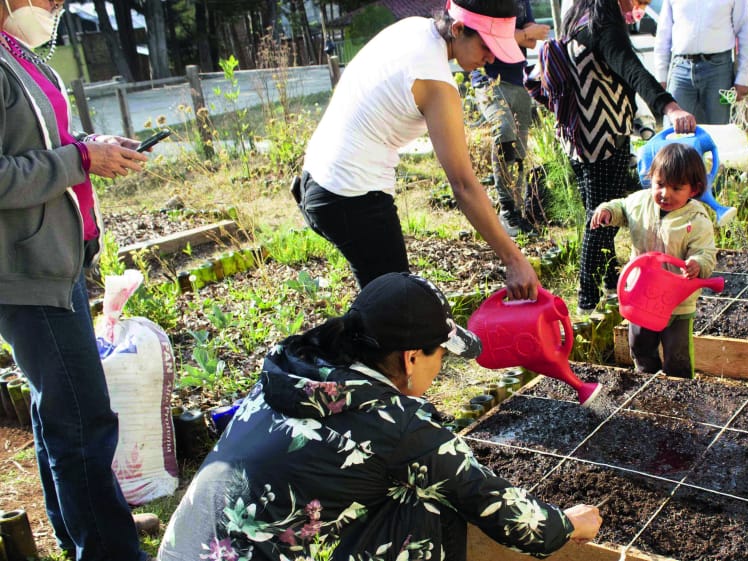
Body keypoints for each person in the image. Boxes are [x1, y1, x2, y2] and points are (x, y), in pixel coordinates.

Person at [158, 272, 603, 561]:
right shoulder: (398, 426)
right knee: (431, 504)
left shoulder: (290, 372)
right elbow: (497, 506)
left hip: (181, 552)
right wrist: (569, 524)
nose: (440, 367)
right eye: (440, 357)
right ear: (411, 358)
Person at [0, 1, 160, 559]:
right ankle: (110, 549)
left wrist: (92, 148)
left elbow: (42, 140)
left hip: (55, 256)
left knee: (62, 413)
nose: (57, 6)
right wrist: (78, 160)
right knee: (84, 420)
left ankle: (83, 529)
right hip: (26, 271)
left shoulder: (14, 48)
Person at [299, 0, 540, 300]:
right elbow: (463, 185)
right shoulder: (435, 82)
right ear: (459, 28)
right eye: (487, 46)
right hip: (350, 196)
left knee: (384, 312)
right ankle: (307, 349)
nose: (491, 58)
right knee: (398, 318)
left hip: (317, 181)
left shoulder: (414, 28)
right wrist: (514, 260)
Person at [556, 0, 696, 315]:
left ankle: (609, 284)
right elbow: (630, 67)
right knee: (600, 221)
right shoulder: (602, 22)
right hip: (602, 138)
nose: (639, 6)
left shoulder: (581, 14)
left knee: (606, 212)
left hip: (581, 137)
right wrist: (669, 107)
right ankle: (587, 306)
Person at [589, 144, 716, 376]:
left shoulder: (696, 219)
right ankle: (646, 380)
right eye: (659, 184)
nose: (665, 194)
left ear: (694, 190)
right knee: (639, 343)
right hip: (640, 294)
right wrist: (607, 210)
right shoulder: (640, 203)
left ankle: (680, 387)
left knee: (677, 353)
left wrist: (697, 263)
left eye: (677, 188)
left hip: (676, 301)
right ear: (651, 179)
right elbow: (621, 207)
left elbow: (705, 252)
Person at [469, 0, 550, 237]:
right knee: (504, 132)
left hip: (519, 80)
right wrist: (522, 33)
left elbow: (533, 40)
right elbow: (485, 38)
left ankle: (516, 213)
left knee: (519, 149)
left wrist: (515, 35)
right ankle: (506, 208)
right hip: (489, 79)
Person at [652, 0, 748, 125]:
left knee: (719, 132)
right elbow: (663, 34)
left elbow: (745, 30)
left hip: (719, 72)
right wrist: (660, 76)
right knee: (674, 131)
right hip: (680, 70)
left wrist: (743, 77)